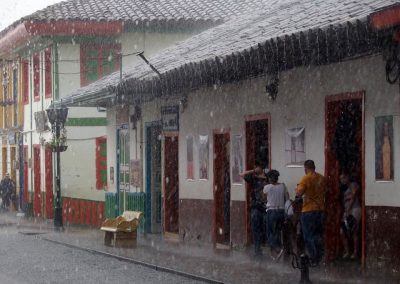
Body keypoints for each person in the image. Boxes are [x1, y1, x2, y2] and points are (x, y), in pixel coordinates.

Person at [295, 160, 326, 265]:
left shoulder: (306, 178)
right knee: (318, 234)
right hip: (320, 210)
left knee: (308, 235)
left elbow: (299, 193)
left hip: (308, 210)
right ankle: (320, 256)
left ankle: (313, 258)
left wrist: (297, 188)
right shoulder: (321, 178)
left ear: (305, 168)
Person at [240, 163, 267, 256]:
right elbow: (242, 174)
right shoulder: (254, 179)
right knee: (256, 229)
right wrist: (253, 171)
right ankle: (258, 249)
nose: (256, 169)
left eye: (256, 167)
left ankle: (263, 248)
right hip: (256, 207)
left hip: (266, 208)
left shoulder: (268, 178)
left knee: (264, 229)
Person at [263, 169, 289, 260]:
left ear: (270, 178)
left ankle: (277, 249)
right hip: (281, 212)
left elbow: (263, 198)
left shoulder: (267, 187)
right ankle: (279, 248)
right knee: (278, 230)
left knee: (270, 232)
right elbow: (287, 198)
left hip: (272, 211)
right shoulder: (283, 186)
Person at [339, 173, 361, 259]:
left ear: (348, 177)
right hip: (347, 211)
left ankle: (355, 252)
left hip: (354, 209)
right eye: (341, 179)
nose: (342, 180)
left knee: (354, 231)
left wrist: (348, 209)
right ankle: (347, 251)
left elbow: (353, 196)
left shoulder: (353, 184)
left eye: (344, 177)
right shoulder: (343, 189)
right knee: (342, 231)